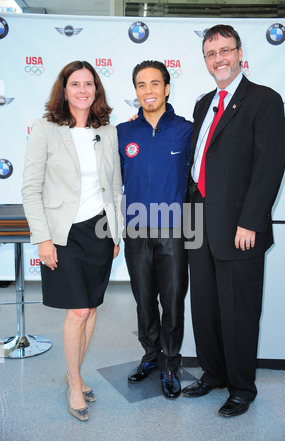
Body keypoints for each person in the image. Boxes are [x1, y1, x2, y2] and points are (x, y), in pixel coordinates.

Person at [182, 25, 285, 417]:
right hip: (198, 220)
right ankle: (213, 373)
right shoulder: (203, 103)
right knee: (205, 306)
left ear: (240, 54)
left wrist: (251, 222)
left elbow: (269, 167)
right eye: (211, 54)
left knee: (239, 310)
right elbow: (198, 163)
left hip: (239, 227)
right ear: (205, 60)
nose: (219, 59)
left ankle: (242, 387)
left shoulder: (264, 100)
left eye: (226, 51)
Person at [22, 60, 122, 421]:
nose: (83, 90)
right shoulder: (45, 128)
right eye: (75, 84)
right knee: (77, 311)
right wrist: (43, 239)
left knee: (92, 307)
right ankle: (75, 383)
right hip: (62, 234)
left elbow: (115, 186)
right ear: (64, 90)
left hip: (99, 231)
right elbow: (31, 189)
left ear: (97, 90)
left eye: (89, 84)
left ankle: (72, 372)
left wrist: (116, 230)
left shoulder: (107, 131)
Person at [117, 60, 193, 398]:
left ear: (166, 87)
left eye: (154, 83)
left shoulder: (186, 130)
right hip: (135, 230)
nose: (148, 91)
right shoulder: (123, 132)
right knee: (144, 301)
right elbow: (109, 182)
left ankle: (170, 364)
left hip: (173, 229)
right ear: (135, 91)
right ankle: (150, 356)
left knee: (173, 303)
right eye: (141, 85)